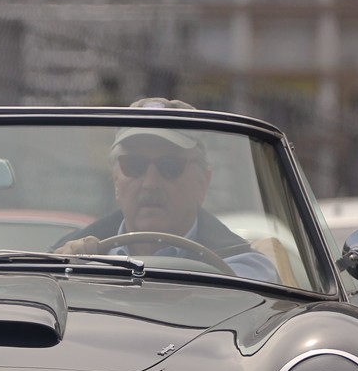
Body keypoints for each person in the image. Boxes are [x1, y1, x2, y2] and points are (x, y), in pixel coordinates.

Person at [54, 101, 281, 283]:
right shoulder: (69, 257)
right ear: (116, 179)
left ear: (203, 182)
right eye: (134, 166)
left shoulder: (241, 265)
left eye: (170, 167)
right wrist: (65, 271)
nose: (150, 183)